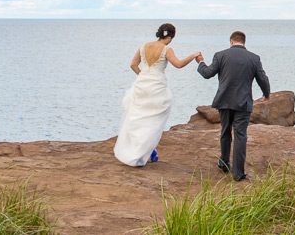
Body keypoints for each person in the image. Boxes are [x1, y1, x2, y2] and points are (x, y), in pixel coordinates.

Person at [114, 23, 201, 166]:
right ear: (170, 37)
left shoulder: (143, 46)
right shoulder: (167, 49)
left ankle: (146, 150)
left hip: (142, 85)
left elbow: (133, 65)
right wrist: (193, 55)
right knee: (153, 120)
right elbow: (178, 64)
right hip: (157, 87)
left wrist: (143, 76)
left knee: (138, 117)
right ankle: (148, 150)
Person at [196, 30, 270, 181]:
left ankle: (224, 164)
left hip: (224, 101)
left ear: (231, 41)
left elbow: (207, 73)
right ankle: (238, 173)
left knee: (225, 131)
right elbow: (262, 78)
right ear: (244, 42)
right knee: (240, 135)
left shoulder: (220, 55)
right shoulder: (254, 58)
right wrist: (266, 93)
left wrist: (201, 62)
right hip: (243, 102)